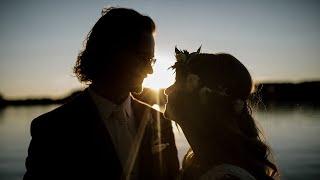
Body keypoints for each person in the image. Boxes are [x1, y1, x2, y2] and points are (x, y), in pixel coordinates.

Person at [24, 7, 179, 180]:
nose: (150, 70)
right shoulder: (52, 129)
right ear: (111, 53)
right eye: (143, 58)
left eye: (151, 60)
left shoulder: (161, 122)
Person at [164, 48, 279, 180]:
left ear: (205, 97)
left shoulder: (223, 176)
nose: (167, 91)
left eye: (179, 83)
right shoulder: (200, 161)